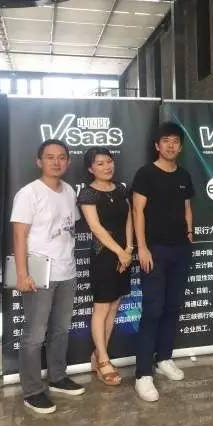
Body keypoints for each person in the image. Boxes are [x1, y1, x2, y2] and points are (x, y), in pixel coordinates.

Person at [10, 139, 85, 414]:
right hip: (39, 274)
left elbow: (69, 228)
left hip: (67, 271)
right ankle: (32, 391)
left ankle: (57, 377)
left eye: (62, 157)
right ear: (39, 161)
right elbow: (19, 235)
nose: (56, 162)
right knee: (34, 335)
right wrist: (22, 273)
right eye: (50, 157)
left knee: (60, 330)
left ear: (68, 161)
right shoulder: (29, 193)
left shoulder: (69, 191)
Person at [131, 121, 194, 402]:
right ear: (157, 145)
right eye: (166, 140)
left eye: (175, 141)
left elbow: (187, 207)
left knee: (172, 307)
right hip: (154, 250)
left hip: (180, 249)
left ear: (180, 147)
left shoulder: (184, 175)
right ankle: (143, 374)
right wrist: (142, 248)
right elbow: (138, 211)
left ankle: (164, 358)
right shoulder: (146, 174)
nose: (171, 145)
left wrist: (189, 234)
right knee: (153, 310)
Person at [78, 147, 133, 386]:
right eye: (100, 163)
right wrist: (120, 252)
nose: (107, 166)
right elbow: (96, 228)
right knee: (101, 307)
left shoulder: (120, 189)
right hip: (103, 256)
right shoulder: (88, 194)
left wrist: (129, 248)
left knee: (114, 305)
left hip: (124, 255)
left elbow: (129, 219)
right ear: (91, 169)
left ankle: (99, 355)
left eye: (109, 161)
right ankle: (103, 361)